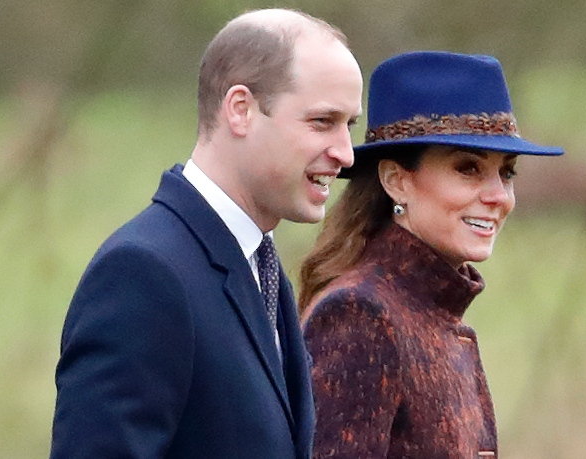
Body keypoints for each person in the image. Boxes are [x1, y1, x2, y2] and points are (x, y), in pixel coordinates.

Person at [50, 8, 363, 459]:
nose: (345, 154)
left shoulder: (261, 269)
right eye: (322, 122)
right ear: (241, 110)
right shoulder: (144, 273)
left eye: (348, 125)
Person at [299, 51, 564, 458]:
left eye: (506, 172)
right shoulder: (361, 315)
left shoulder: (428, 314)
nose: (498, 196)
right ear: (396, 181)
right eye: (468, 168)